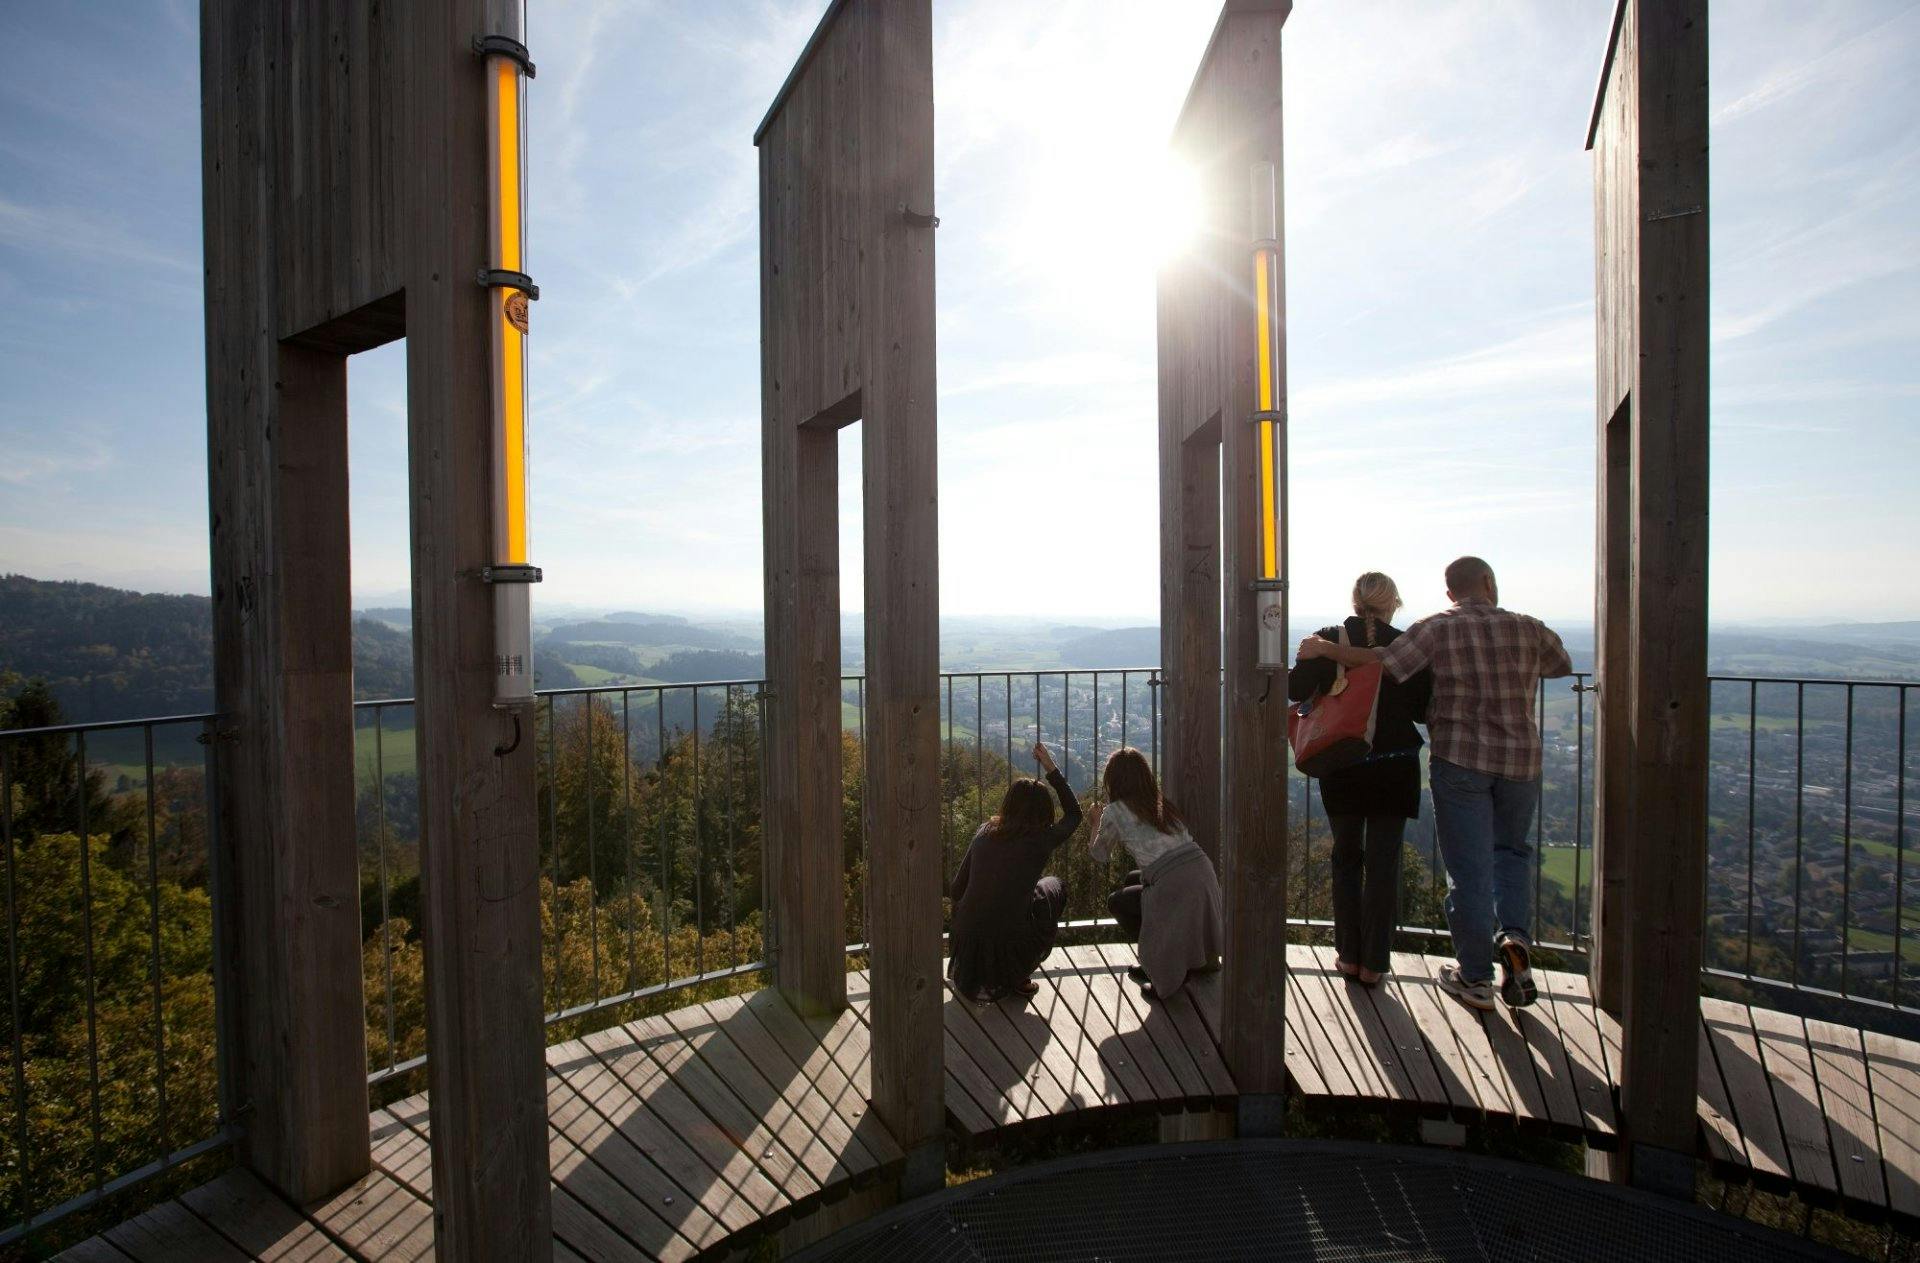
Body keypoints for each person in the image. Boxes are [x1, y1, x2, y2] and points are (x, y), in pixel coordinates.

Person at [1299, 556, 1572, 1013]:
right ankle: (1515, 937)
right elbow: (1560, 664)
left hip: (1460, 760)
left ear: (1450, 593)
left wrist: (1328, 651)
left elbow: (1384, 663)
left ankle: (1476, 978)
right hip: (1521, 761)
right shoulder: (1527, 626)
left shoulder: (1436, 628)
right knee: (1510, 852)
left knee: (1467, 870)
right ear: (1489, 582)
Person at [1287, 572, 1433, 988]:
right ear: (1393, 603)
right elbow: (1422, 709)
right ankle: (1375, 963)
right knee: (1384, 865)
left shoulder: (1327, 638)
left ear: (1355, 602)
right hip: (1394, 764)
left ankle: (1348, 956)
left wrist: (1313, 656)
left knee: (1346, 858)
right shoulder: (1407, 645)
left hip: (1342, 762)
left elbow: (1296, 689)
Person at [948, 742, 1082, 1002]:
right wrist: (1051, 768)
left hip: (966, 946)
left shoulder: (984, 832)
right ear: (1044, 811)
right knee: (1053, 886)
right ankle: (1017, 975)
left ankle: (984, 971)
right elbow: (1074, 814)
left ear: (1007, 804)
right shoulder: (1041, 838)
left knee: (1032, 894)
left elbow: (956, 889)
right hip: (1009, 946)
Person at [1090, 747, 1223, 1001]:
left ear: (1113, 780)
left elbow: (1099, 855)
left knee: (1117, 902)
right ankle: (1198, 958)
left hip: (1174, 884)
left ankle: (1162, 965)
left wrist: (1095, 821)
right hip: (1202, 872)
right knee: (1132, 879)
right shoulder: (1159, 802)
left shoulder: (1116, 811)